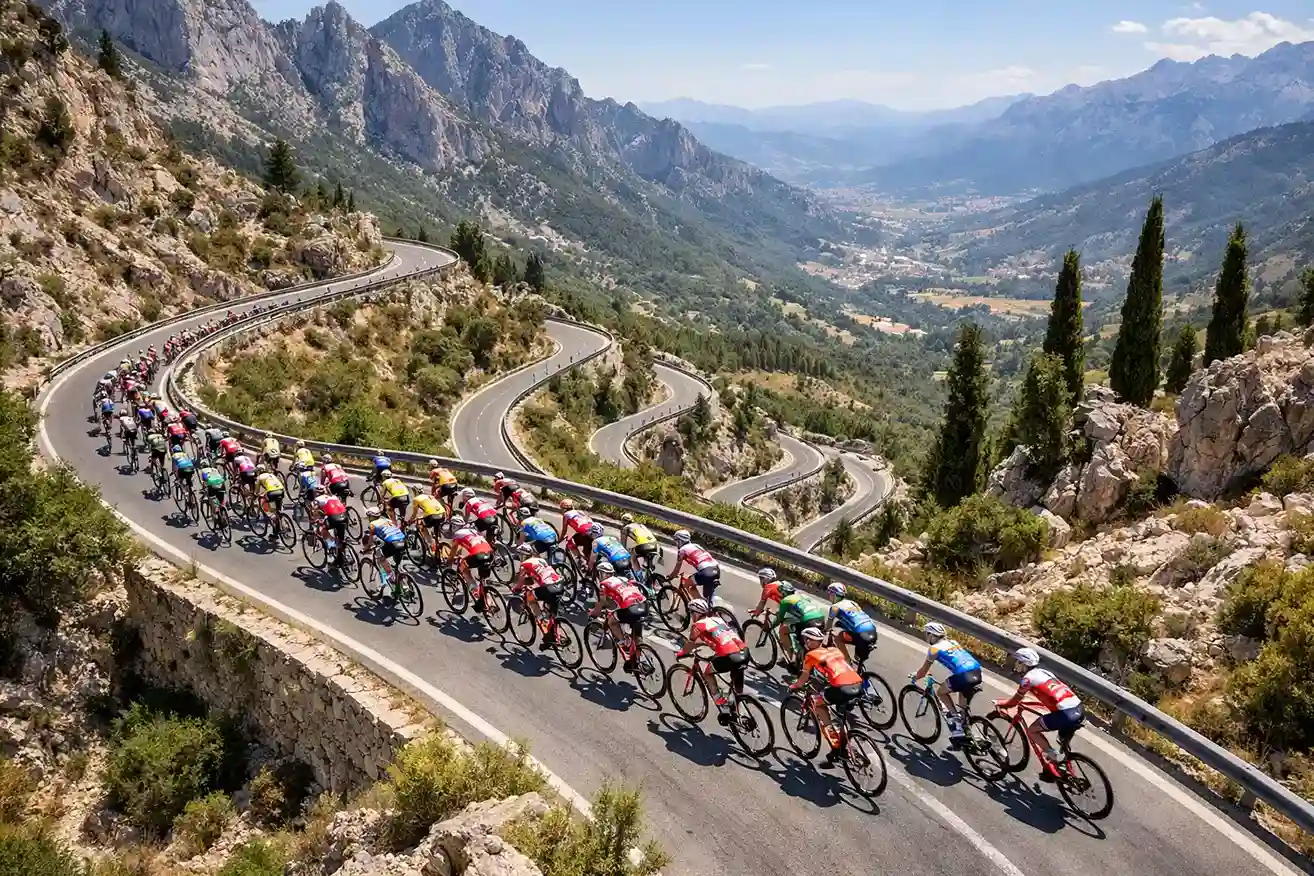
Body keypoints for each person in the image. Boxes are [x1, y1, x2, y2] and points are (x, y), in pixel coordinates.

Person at [993, 647, 1084, 782]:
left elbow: (1014, 702)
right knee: (1063, 740)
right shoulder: (1044, 672)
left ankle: (1053, 756)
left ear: (1024, 664)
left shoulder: (1027, 679)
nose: (1017, 665)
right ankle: (1059, 767)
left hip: (1065, 714)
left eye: (1018, 662)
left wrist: (1001, 703)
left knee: (1032, 730)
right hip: (1078, 708)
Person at [789, 627, 864, 765]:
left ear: (809, 641)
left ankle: (837, 746)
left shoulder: (810, 655)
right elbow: (838, 668)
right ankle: (842, 747)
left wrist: (794, 686)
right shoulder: (834, 649)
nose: (804, 642)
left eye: (805, 640)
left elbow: (804, 677)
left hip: (842, 688)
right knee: (842, 717)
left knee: (818, 704)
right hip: (857, 684)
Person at [678, 599, 748, 725]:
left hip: (730, 655)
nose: (691, 615)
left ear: (696, 613)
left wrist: (682, 653)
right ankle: (739, 707)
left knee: (707, 674)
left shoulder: (698, 625)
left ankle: (723, 706)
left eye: (691, 612)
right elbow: (718, 638)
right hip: (743, 651)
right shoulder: (717, 619)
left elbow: (690, 644)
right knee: (736, 683)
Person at [912, 622, 982, 744]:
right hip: (976, 671)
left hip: (963, 675)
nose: (926, 637)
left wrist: (915, 677)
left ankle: (956, 722)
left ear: (931, 635)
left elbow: (923, 671)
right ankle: (966, 731)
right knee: (962, 704)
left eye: (926, 634)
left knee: (941, 692)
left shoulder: (934, 649)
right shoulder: (953, 642)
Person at [589, 562, 647, 672]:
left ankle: (624, 644)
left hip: (630, 608)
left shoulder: (604, 584)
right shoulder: (621, 579)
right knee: (637, 636)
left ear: (601, 574)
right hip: (643, 605)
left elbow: (602, 603)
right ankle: (641, 659)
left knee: (611, 622)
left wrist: (594, 613)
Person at [512, 543, 563, 650]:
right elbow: (539, 577)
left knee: (530, 597)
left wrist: (516, 589)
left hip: (549, 588)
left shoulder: (524, 564)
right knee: (552, 613)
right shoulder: (540, 560)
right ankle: (555, 633)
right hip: (559, 584)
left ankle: (541, 621)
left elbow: (520, 582)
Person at [771, 584, 826, 668]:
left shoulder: (785, 600)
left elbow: (779, 619)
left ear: (783, 593)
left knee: (784, 631)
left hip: (808, 621)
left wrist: (771, 626)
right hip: (820, 617)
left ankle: (793, 661)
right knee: (814, 641)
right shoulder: (802, 595)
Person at [824, 582, 878, 667]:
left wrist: (823, 632)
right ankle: (860, 671)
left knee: (837, 637)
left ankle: (848, 662)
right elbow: (854, 619)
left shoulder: (835, 607)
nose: (829, 596)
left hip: (860, 633)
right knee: (859, 656)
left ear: (833, 595)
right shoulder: (852, 603)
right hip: (872, 630)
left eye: (829, 594)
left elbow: (828, 628)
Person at [450, 517, 494, 610]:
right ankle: (489, 601)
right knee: (482, 578)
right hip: (489, 553)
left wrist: (449, 561)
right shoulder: (472, 530)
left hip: (478, 555)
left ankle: (474, 589)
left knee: (464, 569)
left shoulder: (458, 534)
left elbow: (453, 549)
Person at [670, 530, 720, 602]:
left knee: (687, 585)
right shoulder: (696, 545)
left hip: (705, 572)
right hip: (716, 568)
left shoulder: (682, 550)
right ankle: (714, 608)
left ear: (679, 540)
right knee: (708, 595)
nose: (675, 543)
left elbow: (677, 569)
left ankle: (700, 607)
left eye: (676, 540)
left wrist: (671, 576)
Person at [363, 508, 406, 584]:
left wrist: (366, 549)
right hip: (403, 541)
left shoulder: (372, 524)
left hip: (393, 543)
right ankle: (403, 577)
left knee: (380, 558)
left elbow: (370, 541)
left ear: (371, 517)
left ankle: (390, 575)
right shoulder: (387, 520)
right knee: (397, 560)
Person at [310, 486, 350, 561]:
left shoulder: (317, 500)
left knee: (322, 529)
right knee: (341, 538)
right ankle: (341, 556)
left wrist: (314, 520)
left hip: (334, 517)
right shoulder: (333, 497)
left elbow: (314, 511)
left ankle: (332, 545)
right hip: (344, 515)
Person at [408, 491, 447, 555]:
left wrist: (410, 521)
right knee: (435, 529)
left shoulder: (416, 499)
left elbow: (414, 514)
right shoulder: (429, 496)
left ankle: (430, 543)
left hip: (432, 516)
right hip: (442, 514)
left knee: (421, 525)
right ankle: (437, 543)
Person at [559, 499, 595, 564]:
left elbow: (564, 531)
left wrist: (559, 540)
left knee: (569, 541)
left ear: (564, 509)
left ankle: (580, 559)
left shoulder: (566, 515)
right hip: (594, 531)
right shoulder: (580, 512)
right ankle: (590, 565)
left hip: (585, 533)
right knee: (586, 551)